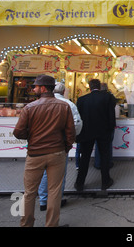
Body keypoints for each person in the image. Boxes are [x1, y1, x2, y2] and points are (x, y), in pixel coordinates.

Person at [13, 75, 76, 227]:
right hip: (57, 153)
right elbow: (70, 132)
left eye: (35, 86)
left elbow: (18, 132)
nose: (33, 89)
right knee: (54, 191)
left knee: (29, 193)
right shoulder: (64, 106)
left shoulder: (30, 107)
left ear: (43, 88)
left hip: (35, 154)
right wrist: (66, 148)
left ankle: (27, 223)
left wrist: (31, 137)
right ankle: (51, 224)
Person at [38, 82, 83, 211]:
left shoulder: (39, 103)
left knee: (45, 172)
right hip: (60, 143)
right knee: (59, 172)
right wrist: (70, 139)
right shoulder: (69, 104)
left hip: (42, 143)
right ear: (64, 92)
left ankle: (43, 200)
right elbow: (76, 124)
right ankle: (56, 200)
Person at [75, 79, 116, 191]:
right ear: (99, 86)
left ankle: (79, 183)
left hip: (87, 132)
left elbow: (79, 118)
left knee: (85, 158)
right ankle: (105, 182)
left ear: (89, 87)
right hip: (103, 131)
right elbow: (111, 114)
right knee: (104, 156)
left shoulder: (82, 100)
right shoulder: (107, 97)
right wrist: (111, 127)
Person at [94, 83, 116, 169]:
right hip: (109, 124)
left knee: (98, 145)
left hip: (97, 124)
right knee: (108, 145)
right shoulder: (111, 97)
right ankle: (108, 163)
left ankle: (98, 163)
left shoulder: (95, 97)